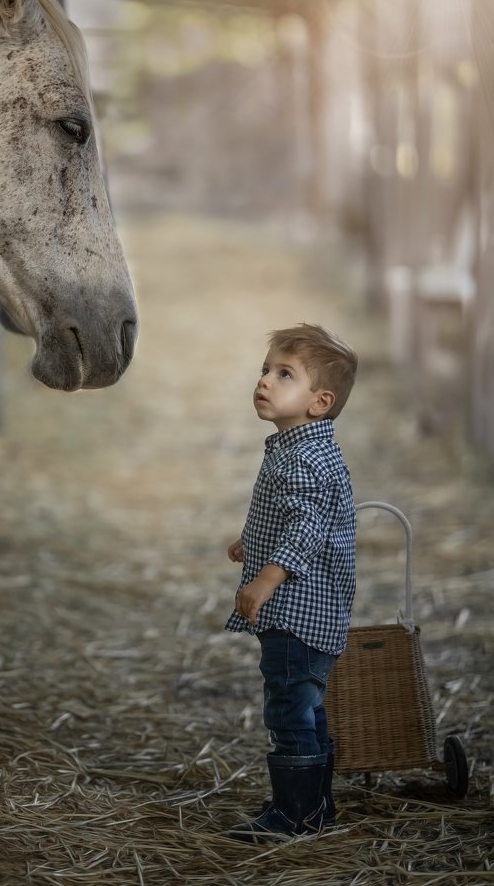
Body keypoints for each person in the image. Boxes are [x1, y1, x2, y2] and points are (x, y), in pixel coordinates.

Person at [225, 322, 358, 843]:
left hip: (295, 613)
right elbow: (294, 513)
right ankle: (314, 807)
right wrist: (252, 541)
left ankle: (294, 815)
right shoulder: (302, 447)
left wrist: (266, 577)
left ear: (319, 402)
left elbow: (306, 527)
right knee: (307, 708)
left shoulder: (302, 457)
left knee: (288, 711)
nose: (264, 380)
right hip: (312, 611)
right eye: (266, 370)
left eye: (285, 374)